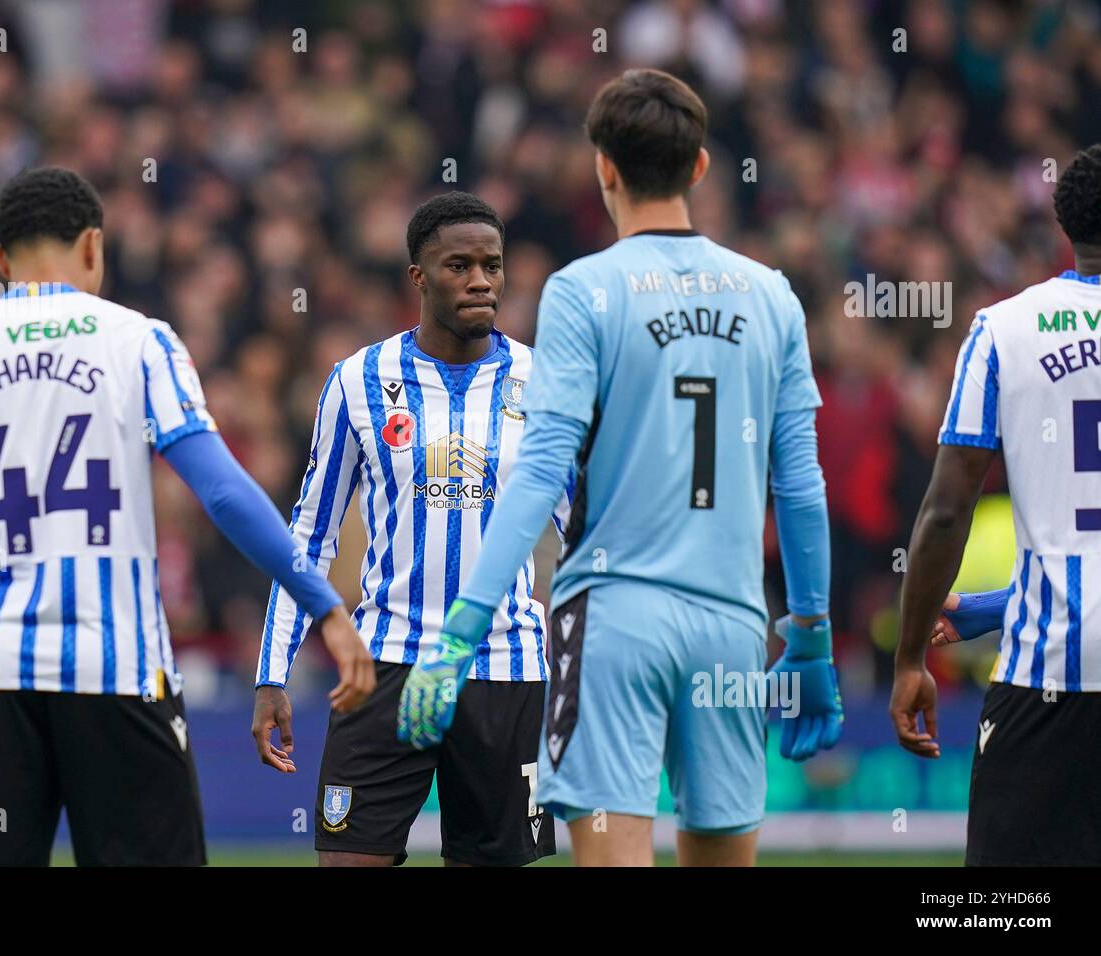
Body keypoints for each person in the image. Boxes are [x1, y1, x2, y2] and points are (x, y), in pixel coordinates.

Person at [0, 166, 374, 866]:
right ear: (93, 246)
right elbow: (226, 494)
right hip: (116, 673)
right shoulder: (138, 341)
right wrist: (324, 606)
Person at [397, 69, 842, 867]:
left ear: (603, 166)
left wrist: (463, 628)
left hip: (614, 619)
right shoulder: (771, 294)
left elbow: (539, 472)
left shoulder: (584, 290)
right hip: (733, 626)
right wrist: (810, 633)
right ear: (701, 167)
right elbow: (801, 484)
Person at [255, 192, 565, 866]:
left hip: (504, 671)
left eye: (492, 265)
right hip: (383, 666)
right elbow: (308, 537)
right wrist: (272, 673)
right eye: (459, 266)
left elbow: (581, 536)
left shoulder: (544, 383)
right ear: (419, 278)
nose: (481, 280)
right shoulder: (358, 380)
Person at [892, 144, 1101, 866]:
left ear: (1064, 225)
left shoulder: (1003, 328)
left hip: (1049, 671)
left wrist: (909, 657)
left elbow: (947, 510)